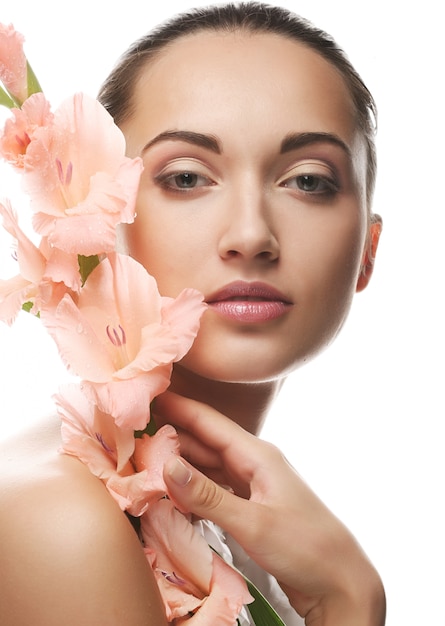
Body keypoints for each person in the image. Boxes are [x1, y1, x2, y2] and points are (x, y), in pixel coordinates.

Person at [0, 2, 385, 624]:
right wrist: (352, 602)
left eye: (308, 180)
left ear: (367, 252)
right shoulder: (63, 525)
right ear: (101, 225)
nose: (252, 234)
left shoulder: (253, 532)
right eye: (185, 177)